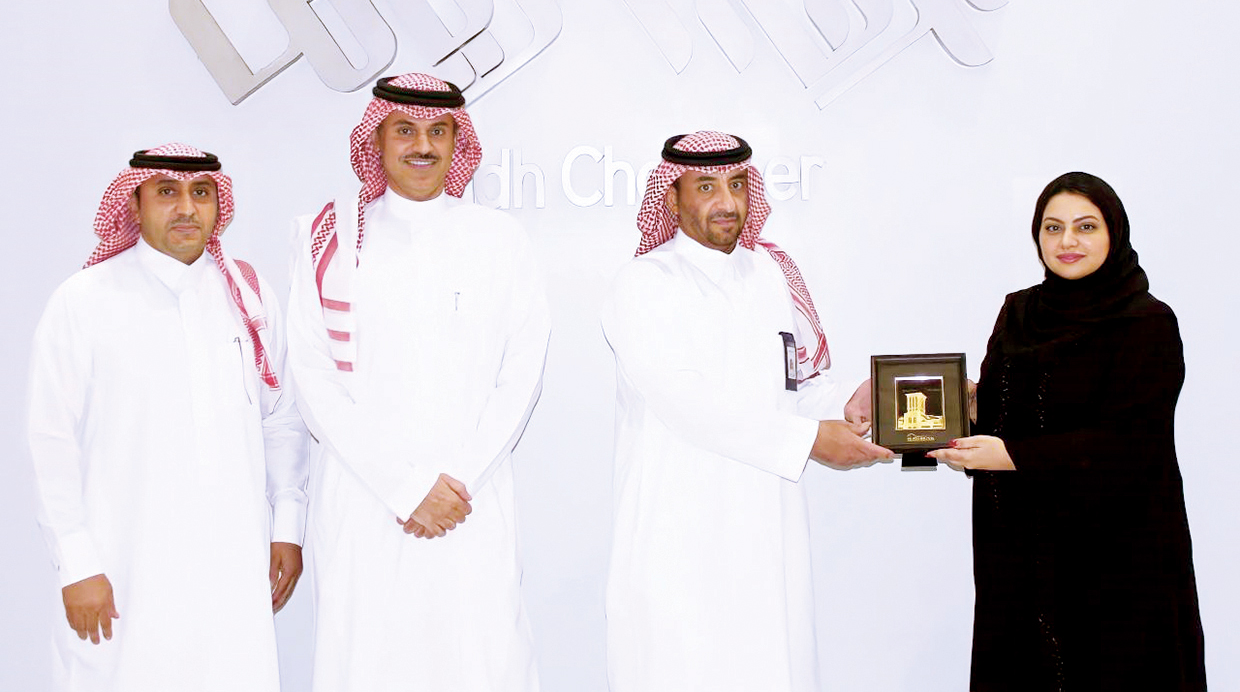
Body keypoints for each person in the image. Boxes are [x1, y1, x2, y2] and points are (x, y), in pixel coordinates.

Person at [600, 131, 893, 692]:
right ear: (671, 197)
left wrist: (848, 403)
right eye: (706, 187)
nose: (727, 203)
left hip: (767, 530)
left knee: (769, 664)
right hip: (681, 530)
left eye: (737, 185)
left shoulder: (769, 275)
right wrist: (810, 440)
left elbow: (792, 385)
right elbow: (686, 403)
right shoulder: (643, 283)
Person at [288, 73, 550, 691]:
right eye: (404, 130)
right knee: (368, 664)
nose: (422, 146)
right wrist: (403, 489)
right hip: (366, 502)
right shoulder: (329, 240)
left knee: (481, 660)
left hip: (469, 503)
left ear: (459, 143)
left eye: (438, 131)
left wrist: (458, 480)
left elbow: (522, 372)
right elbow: (311, 374)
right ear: (376, 140)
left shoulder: (499, 240)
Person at [26, 143, 309, 691]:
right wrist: (77, 563)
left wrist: (287, 529)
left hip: (231, 562)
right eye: (166, 192)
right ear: (134, 204)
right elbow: (51, 440)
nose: (186, 208)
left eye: (200, 193)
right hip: (124, 564)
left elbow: (281, 419)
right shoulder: (83, 300)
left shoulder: (247, 295)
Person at [929, 172, 1206, 691]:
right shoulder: (1019, 312)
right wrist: (946, 403)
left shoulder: (1147, 322)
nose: (1067, 241)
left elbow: (1130, 441)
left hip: (1117, 555)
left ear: (1114, 232)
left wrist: (1011, 456)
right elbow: (1002, 412)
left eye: (1085, 226)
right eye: (1053, 228)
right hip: (1020, 550)